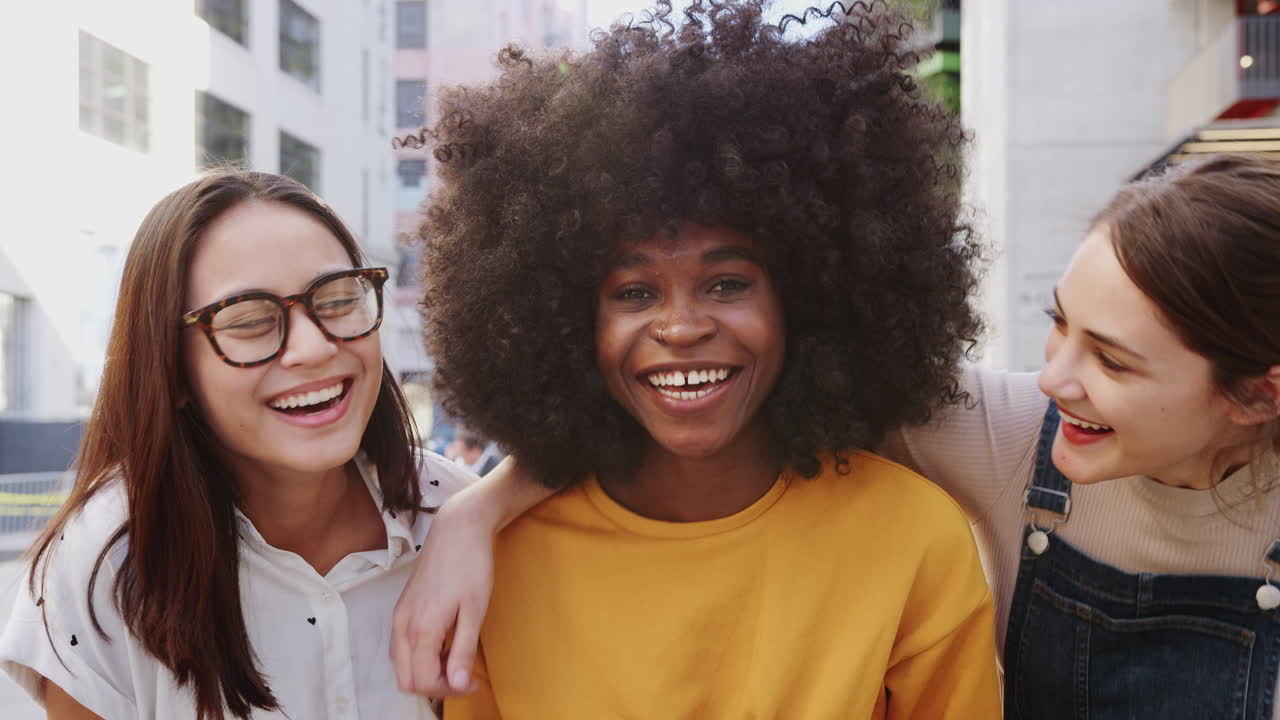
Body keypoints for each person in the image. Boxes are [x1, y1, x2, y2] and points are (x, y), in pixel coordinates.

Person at [397, 153, 1280, 717]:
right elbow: (695, 394)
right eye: (1059, 326)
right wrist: (480, 510)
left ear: (1255, 396)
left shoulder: (906, 535)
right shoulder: (1018, 438)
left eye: (1114, 363)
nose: (1053, 380)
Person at [401, 1, 1002, 716]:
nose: (681, 327)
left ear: (804, 298)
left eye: (726, 283)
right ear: (567, 318)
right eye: (633, 291)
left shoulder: (911, 539)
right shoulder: (503, 560)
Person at [0, 169, 472, 720]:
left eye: (340, 299)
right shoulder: (106, 560)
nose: (313, 347)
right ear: (171, 370)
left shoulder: (459, 515)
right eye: (249, 321)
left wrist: (489, 509)